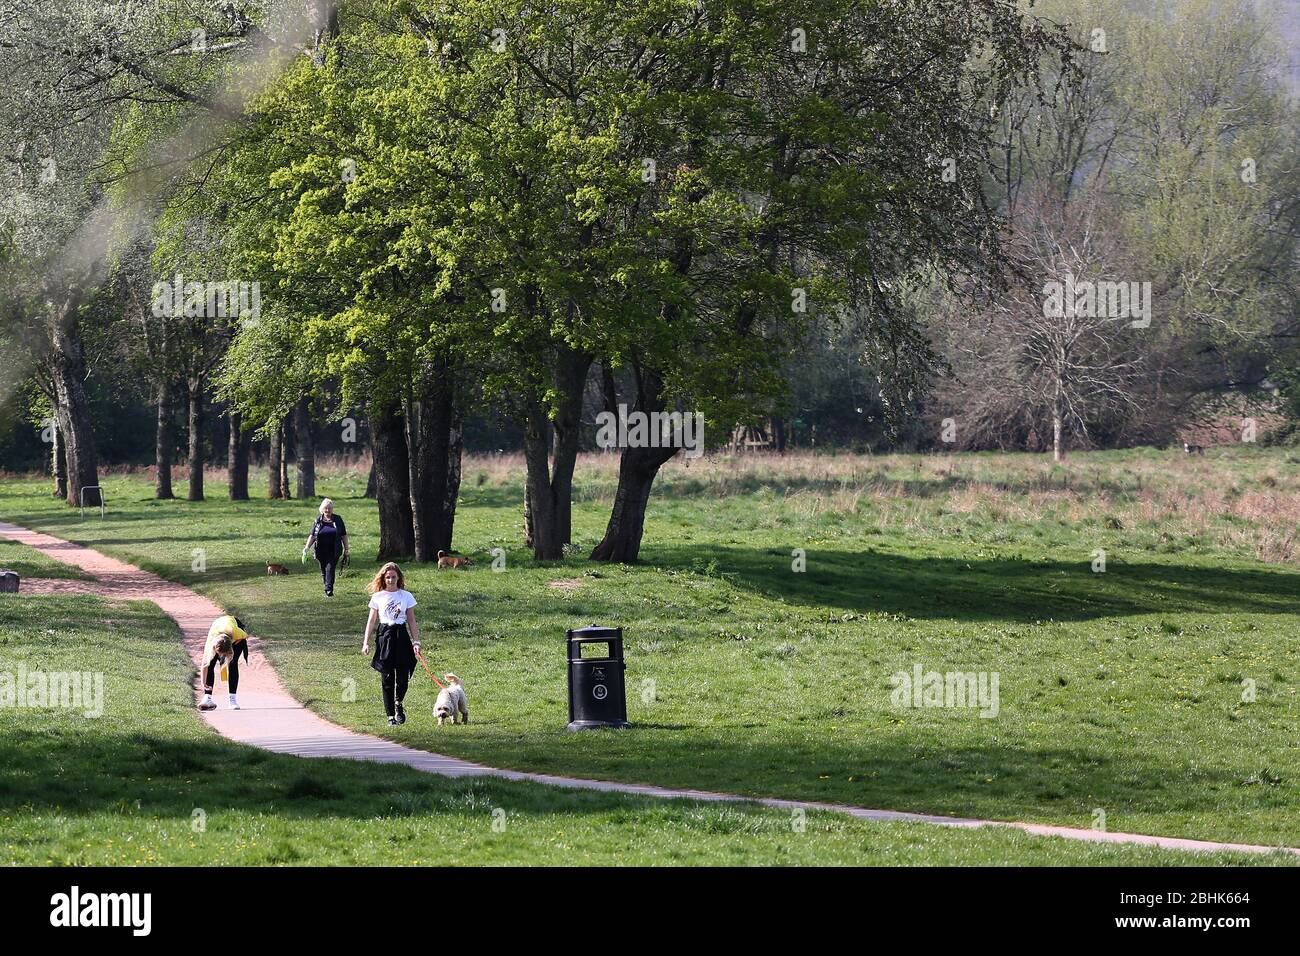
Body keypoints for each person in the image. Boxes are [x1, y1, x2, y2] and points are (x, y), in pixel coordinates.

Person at [362, 562, 421, 726]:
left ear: (398, 577)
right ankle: (390, 717)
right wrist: (366, 642)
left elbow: (411, 620)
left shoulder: (406, 596)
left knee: (403, 679)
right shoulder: (377, 597)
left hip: (401, 636)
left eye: (393, 577)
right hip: (385, 636)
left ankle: (398, 703)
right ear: (383, 578)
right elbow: (371, 621)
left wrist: (416, 641)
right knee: (387, 677)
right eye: (387, 577)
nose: (390, 580)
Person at [199, 614, 252, 711]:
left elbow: (246, 636)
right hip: (218, 630)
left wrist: (233, 647)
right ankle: (207, 698)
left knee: (232, 664)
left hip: (235, 637)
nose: (221, 656)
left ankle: (232, 700)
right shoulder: (211, 642)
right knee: (210, 663)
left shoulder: (237, 633)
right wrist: (203, 682)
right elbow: (204, 664)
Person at [303, 498, 349, 597]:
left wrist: (346, 549)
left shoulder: (338, 519)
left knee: (330, 568)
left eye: (330, 508)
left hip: (334, 550)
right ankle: (327, 586)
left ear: (332, 509)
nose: (328, 510)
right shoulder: (317, 521)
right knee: (323, 570)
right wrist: (306, 548)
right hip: (320, 550)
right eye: (326, 508)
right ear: (322, 509)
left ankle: (329, 590)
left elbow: (343, 535)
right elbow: (312, 536)